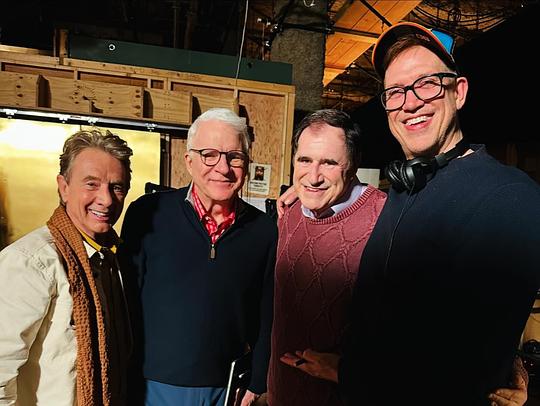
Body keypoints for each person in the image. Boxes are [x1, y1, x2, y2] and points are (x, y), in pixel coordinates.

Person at [279, 22, 540, 405]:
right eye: (396, 91)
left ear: (459, 92)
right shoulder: (405, 190)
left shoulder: (509, 199)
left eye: (427, 84)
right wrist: (310, 189)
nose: (410, 102)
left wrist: (345, 371)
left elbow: (466, 370)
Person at [119, 108, 277, 406]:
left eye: (234, 157)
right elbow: (124, 303)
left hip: (226, 390)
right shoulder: (148, 213)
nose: (223, 168)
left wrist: (257, 381)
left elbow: (266, 314)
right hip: (151, 386)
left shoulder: (264, 230)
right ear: (189, 161)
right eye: (209, 155)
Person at [0, 129, 133, 405]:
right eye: (91, 184)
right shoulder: (31, 261)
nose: (106, 199)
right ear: (64, 187)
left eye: (116, 187)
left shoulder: (112, 260)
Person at [266, 109, 387, 406]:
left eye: (329, 163)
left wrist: (351, 372)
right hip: (282, 394)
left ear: (354, 164)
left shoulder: (385, 219)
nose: (314, 177)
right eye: (304, 160)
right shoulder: (289, 213)